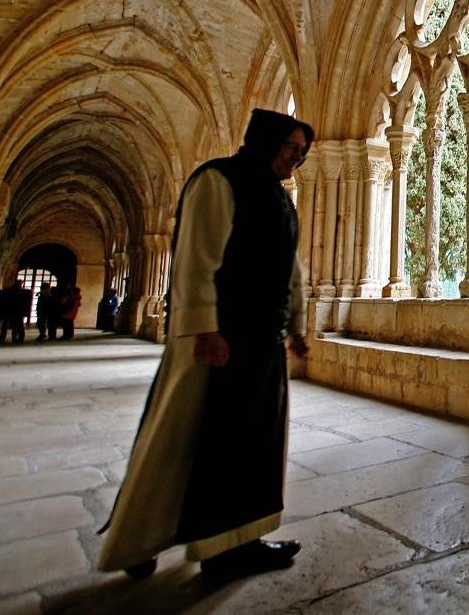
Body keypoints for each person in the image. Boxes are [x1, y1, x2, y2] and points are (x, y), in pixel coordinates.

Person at [98, 108, 312, 581]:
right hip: (219, 339)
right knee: (182, 440)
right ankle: (142, 539)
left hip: (261, 341)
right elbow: (196, 257)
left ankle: (234, 541)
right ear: (264, 141)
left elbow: (290, 268)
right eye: (289, 148)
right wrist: (203, 328)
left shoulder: (280, 200)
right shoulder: (219, 180)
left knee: (250, 445)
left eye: (301, 153)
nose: (295, 159)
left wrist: (296, 325)